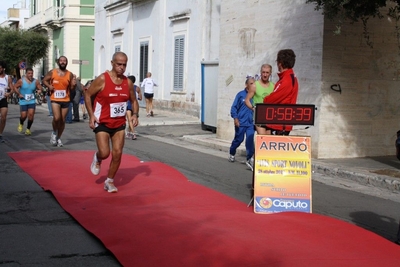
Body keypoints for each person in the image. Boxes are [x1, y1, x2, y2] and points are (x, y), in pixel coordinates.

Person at [85, 51, 139, 193]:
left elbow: (134, 100)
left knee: (117, 153)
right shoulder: (102, 79)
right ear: (112, 63)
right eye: (119, 64)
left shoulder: (127, 82)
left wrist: (135, 114)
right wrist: (91, 115)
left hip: (119, 124)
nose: (122, 67)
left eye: (124, 65)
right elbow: (88, 94)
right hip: (102, 121)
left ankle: (109, 181)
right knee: (105, 153)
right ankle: (97, 157)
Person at [42, 56, 76, 147]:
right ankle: (53, 133)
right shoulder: (53, 72)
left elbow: (72, 89)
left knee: (62, 120)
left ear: (66, 63)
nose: (62, 62)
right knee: (57, 118)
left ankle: (58, 138)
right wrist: (49, 86)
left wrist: (74, 84)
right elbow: (44, 80)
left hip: (65, 99)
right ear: (58, 62)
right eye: (61, 61)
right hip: (55, 99)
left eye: (64, 61)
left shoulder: (70, 74)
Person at [263, 49, 299, 135]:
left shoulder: (286, 80)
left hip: (279, 124)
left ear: (280, 63)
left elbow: (270, 100)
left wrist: (265, 99)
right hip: (282, 123)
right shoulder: (291, 77)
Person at [228, 77, 255, 171]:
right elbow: (234, 108)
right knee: (239, 139)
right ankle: (232, 152)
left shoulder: (255, 95)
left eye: (254, 83)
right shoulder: (240, 95)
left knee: (250, 139)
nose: (253, 85)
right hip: (240, 122)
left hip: (250, 123)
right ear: (246, 85)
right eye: (251, 83)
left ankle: (249, 159)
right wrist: (235, 118)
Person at [244, 64, 274, 135]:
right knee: (262, 138)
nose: (265, 75)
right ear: (260, 72)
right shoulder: (254, 85)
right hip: (259, 117)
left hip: (270, 117)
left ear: (270, 73)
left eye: (267, 72)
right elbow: (247, 100)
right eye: (263, 72)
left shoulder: (273, 86)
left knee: (268, 140)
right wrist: (254, 108)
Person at [14, 68, 44, 135]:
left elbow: (40, 88)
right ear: (26, 74)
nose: (30, 75)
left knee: (31, 115)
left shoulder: (35, 81)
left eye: (31, 73)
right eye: (29, 73)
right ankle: (21, 123)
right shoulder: (21, 81)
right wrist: (19, 94)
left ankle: (28, 129)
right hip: (23, 100)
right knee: (23, 116)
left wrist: (40, 90)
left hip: (32, 101)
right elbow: (15, 87)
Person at [0, 61, 15, 143]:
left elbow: (12, 89)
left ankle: (0, 134)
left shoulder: (7, 78)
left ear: (3, 68)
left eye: (0, 68)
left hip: (3, 99)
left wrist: (9, 93)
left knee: (3, 118)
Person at [126, 75, 142, 140]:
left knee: (129, 120)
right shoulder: (137, 88)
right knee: (132, 120)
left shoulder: (126, 87)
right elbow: (140, 98)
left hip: (128, 104)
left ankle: (133, 133)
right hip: (135, 105)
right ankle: (130, 132)